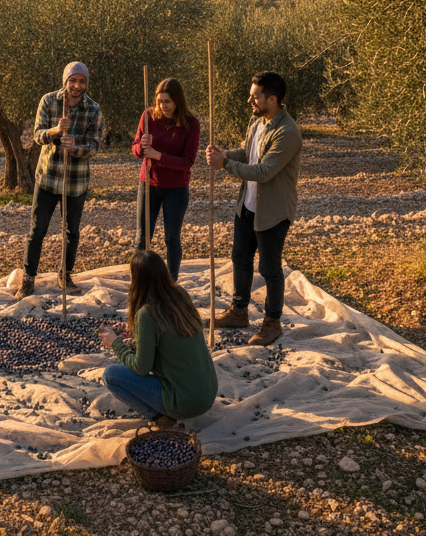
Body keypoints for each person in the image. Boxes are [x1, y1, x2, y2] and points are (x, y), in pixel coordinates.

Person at [205, 70, 302, 347]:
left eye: (255, 96)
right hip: (247, 205)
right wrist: (226, 155)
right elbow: (248, 153)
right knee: (240, 258)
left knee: (270, 269)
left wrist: (224, 165)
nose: (250, 101)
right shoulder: (258, 121)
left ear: (272, 99)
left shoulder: (288, 132)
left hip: (272, 212)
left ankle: (272, 322)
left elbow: (263, 171)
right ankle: (238, 312)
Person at [99, 250, 218, 427]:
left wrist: (115, 343)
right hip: (207, 394)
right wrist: (134, 333)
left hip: (185, 403)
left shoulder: (147, 314)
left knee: (111, 375)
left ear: (137, 280)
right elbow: (168, 337)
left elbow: (142, 368)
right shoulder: (179, 295)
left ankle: (158, 417)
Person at [16, 60, 104, 299]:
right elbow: (37, 136)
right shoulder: (48, 101)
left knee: (71, 232)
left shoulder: (93, 109)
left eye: (82, 81)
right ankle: (28, 278)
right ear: (65, 81)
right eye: (73, 80)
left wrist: (76, 149)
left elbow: (95, 145)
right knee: (37, 230)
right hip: (48, 178)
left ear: (86, 83)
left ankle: (65, 275)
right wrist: (55, 131)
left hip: (75, 183)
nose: (77, 86)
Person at [132, 77, 201, 280]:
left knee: (172, 238)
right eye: (160, 101)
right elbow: (136, 149)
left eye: (168, 101)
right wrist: (141, 147)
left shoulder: (191, 124)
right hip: (148, 184)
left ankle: (171, 283)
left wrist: (158, 156)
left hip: (176, 189)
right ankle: (139, 282)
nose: (163, 106)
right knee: (142, 239)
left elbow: (187, 162)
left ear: (178, 101)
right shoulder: (148, 117)